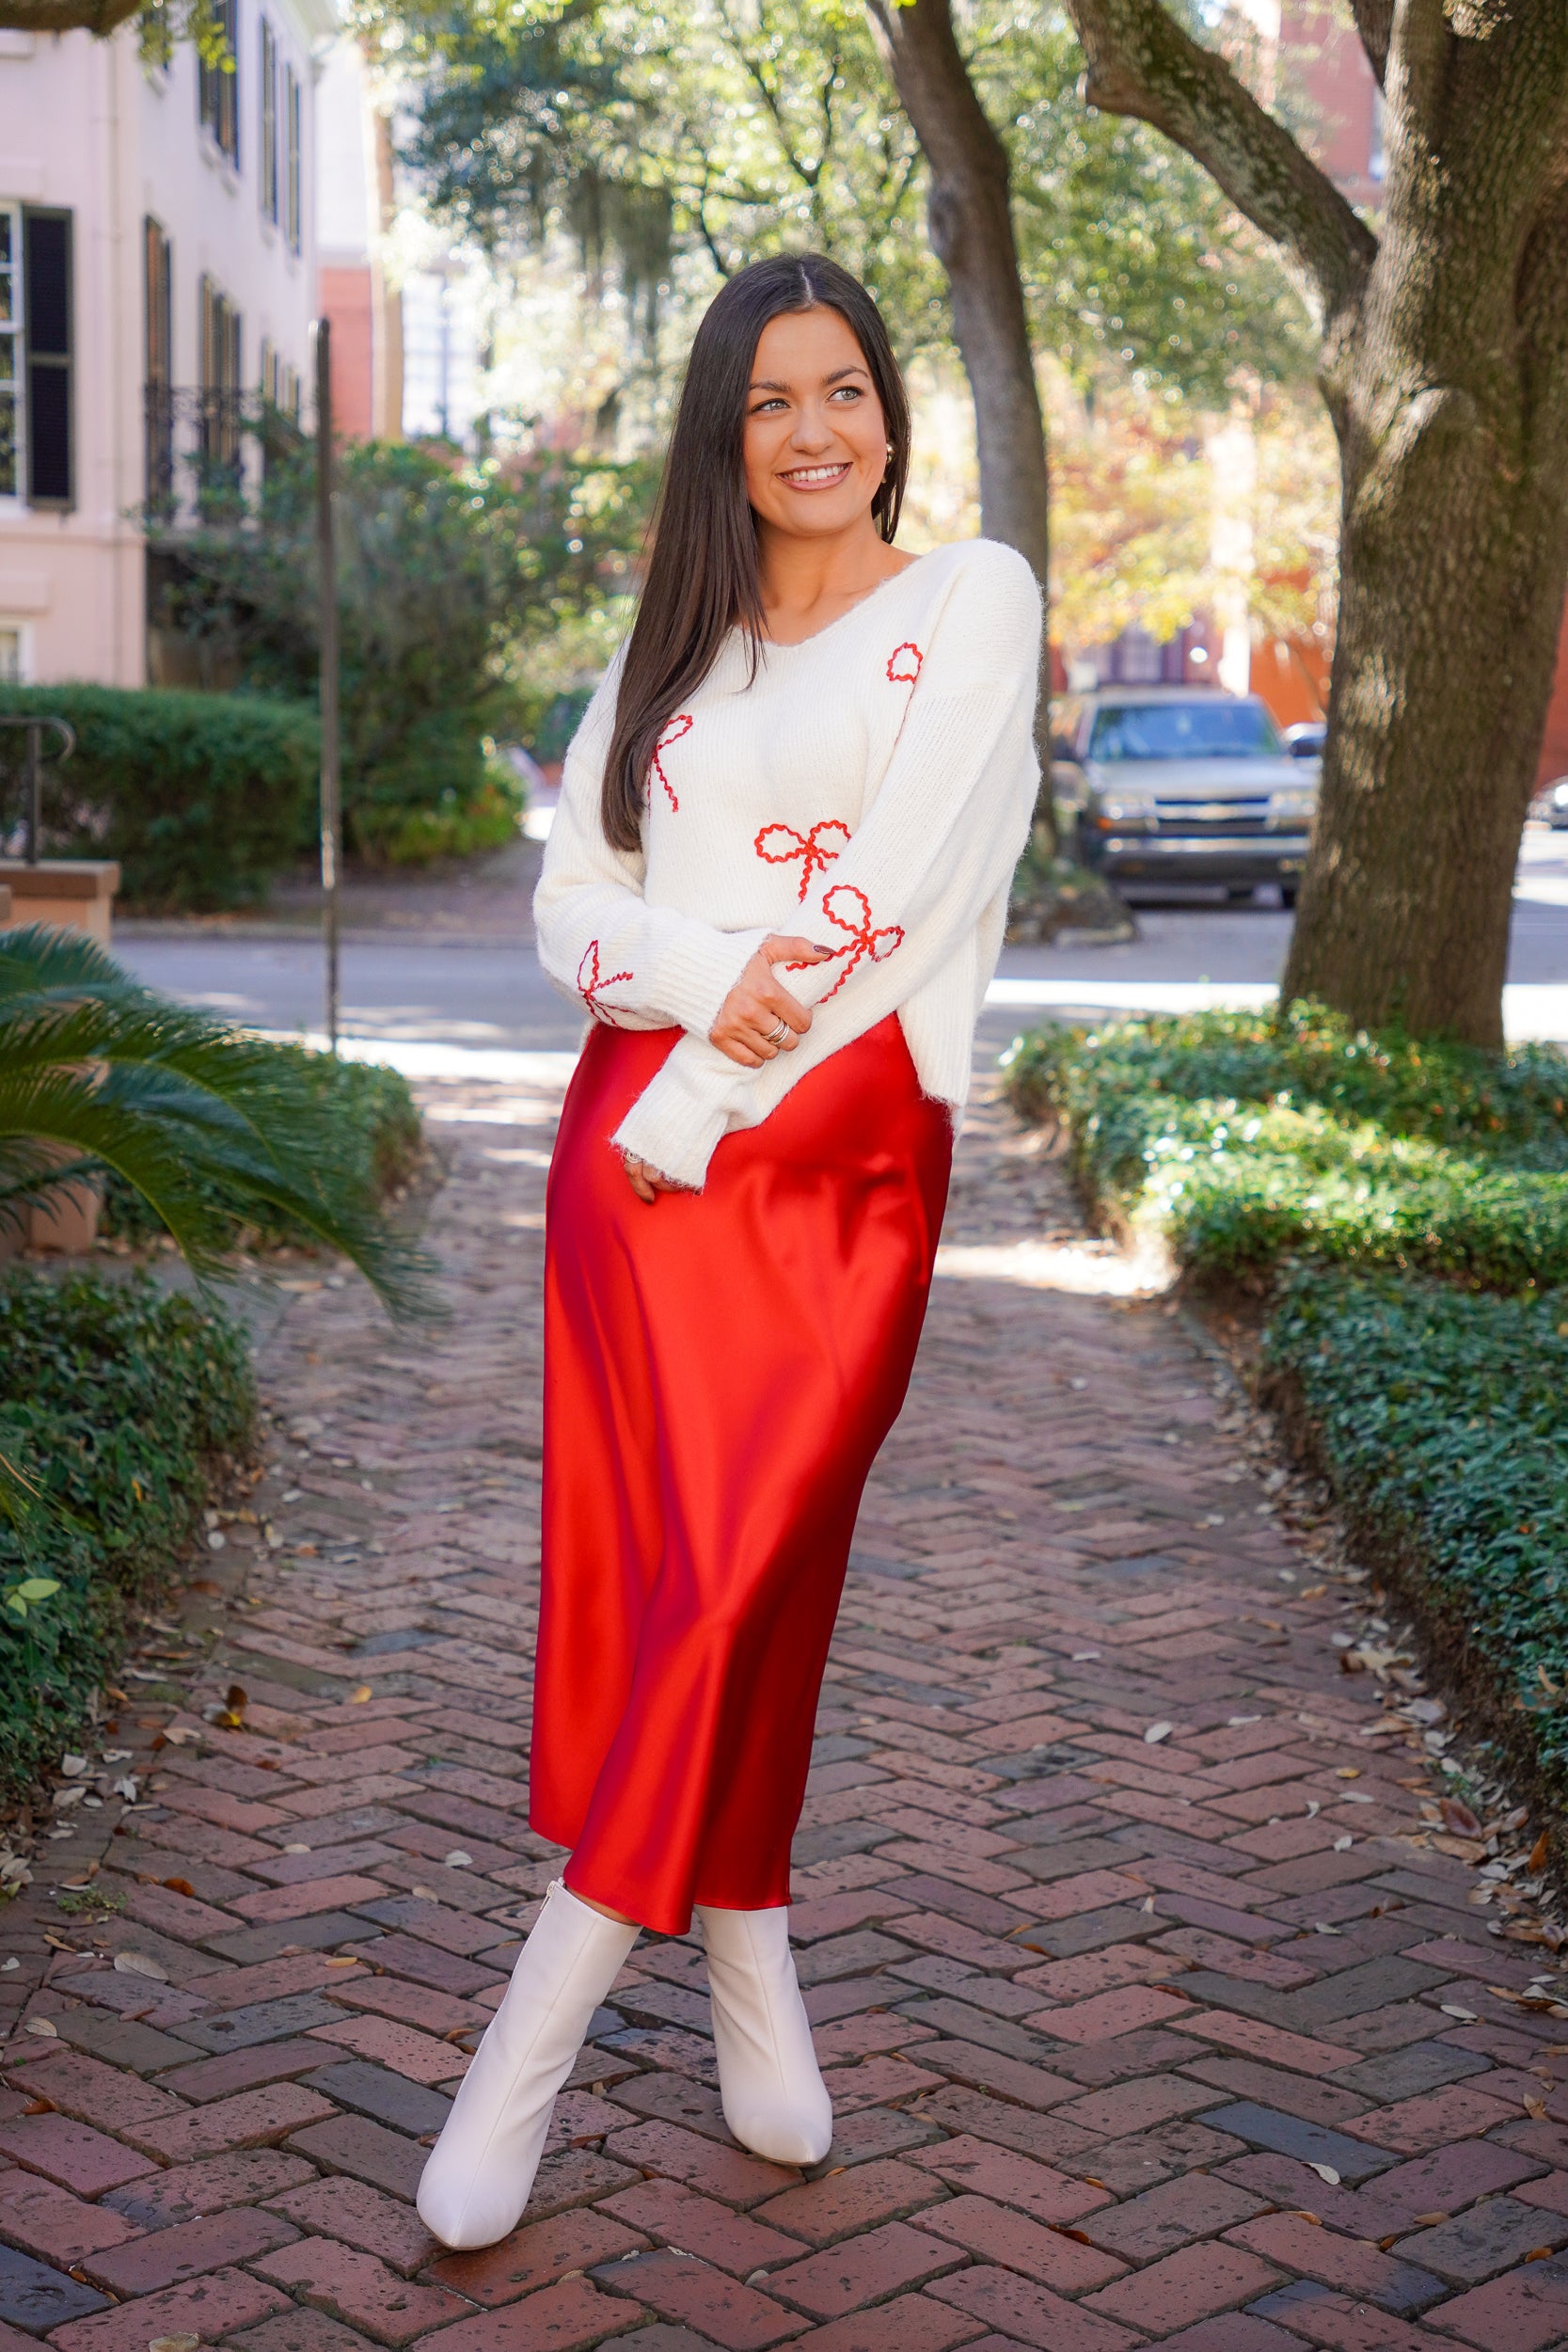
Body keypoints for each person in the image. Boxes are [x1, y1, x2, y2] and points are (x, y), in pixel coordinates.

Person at [417, 251, 1042, 2252]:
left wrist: (701, 1071)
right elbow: (567, 910)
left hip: (838, 1155)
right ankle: (748, 1935)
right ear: (723, 430)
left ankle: (528, 2030)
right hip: (633, 1176)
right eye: (770, 398)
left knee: (753, 1557)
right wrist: (689, 987)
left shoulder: (972, 600)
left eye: (842, 386)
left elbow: (898, 891)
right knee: (682, 1581)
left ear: (888, 408)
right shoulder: (672, 647)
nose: (813, 429)